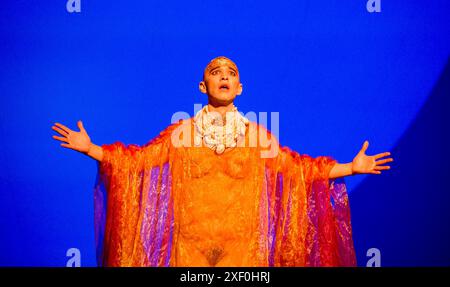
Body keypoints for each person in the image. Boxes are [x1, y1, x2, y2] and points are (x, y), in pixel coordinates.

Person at [51, 56, 393, 267]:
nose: (224, 75)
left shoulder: (257, 135)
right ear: (204, 85)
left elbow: (298, 170)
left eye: (231, 72)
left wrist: (350, 167)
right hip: (190, 256)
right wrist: (90, 148)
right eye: (216, 71)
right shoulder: (181, 132)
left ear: (240, 87)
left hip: (244, 256)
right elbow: (135, 163)